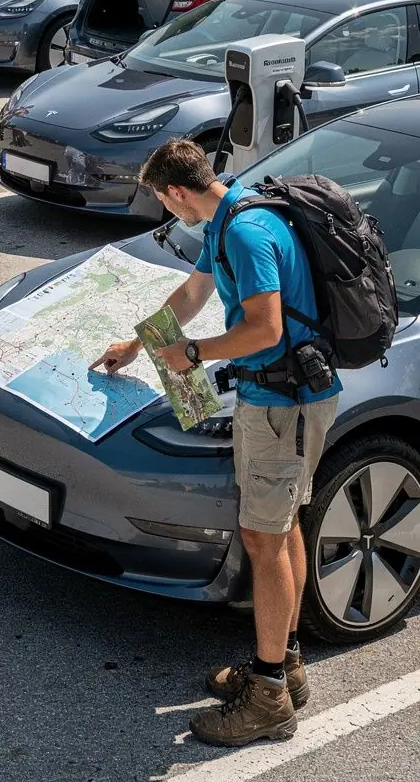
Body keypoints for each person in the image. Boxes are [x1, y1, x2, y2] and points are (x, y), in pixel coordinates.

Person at [92, 139, 341, 749]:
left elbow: (266, 327)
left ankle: (269, 697)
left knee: (263, 538)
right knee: (281, 530)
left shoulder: (246, 234)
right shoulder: (227, 216)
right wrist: (140, 343)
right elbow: (193, 295)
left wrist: (194, 353)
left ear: (178, 191)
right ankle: (285, 664)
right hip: (283, 399)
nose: (164, 209)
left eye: (161, 198)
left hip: (283, 405)